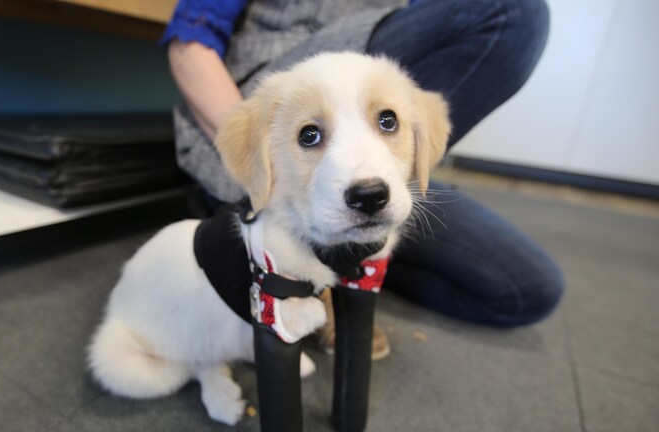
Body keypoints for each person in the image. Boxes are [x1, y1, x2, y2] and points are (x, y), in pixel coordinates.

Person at [160, 0, 564, 355]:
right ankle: (310, 252)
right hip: (261, 127)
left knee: (528, 290)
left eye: (388, 122)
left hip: (369, 165)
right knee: (512, 10)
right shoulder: (268, 133)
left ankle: (358, 257)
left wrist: (386, 163)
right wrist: (264, 165)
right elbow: (189, 46)